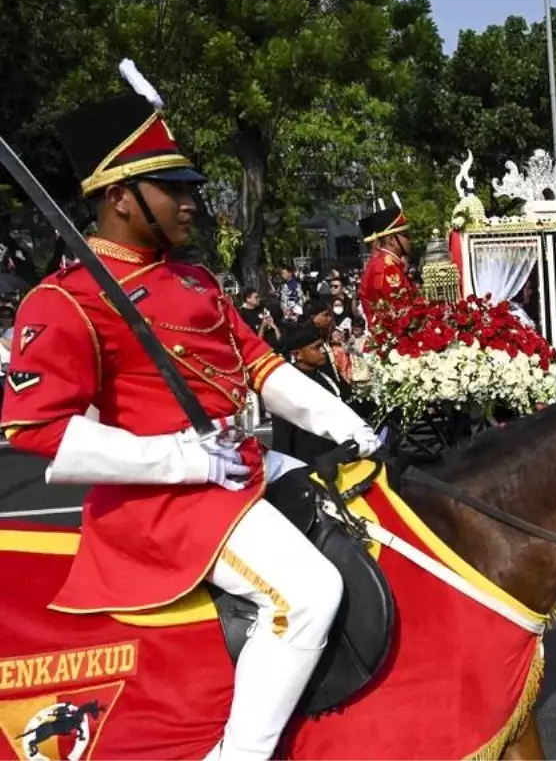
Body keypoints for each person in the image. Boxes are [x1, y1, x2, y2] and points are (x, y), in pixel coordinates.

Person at [0, 72, 381, 761]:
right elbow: (36, 430)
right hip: (163, 503)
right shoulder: (65, 300)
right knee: (310, 593)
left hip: (236, 472)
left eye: (188, 187)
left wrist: (346, 426)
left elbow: (263, 368)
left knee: (369, 512)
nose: (191, 202)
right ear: (118, 196)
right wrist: (182, 458)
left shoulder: (195, 278)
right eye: (172, 189)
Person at [271, 321, 356, 465]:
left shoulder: (325, 375)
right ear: (297, 354)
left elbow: (348, 400)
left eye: (322, 346)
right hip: (309, 465)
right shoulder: (287, 384)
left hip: (337, 458)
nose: (323, 351)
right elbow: (283, 437)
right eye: (316, 348)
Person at [358, 197, 413, 328]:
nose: (410, 240)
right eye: (405, 235)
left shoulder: (388, 263)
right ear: (391, 240)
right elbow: (401, 312)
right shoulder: (388, 267)